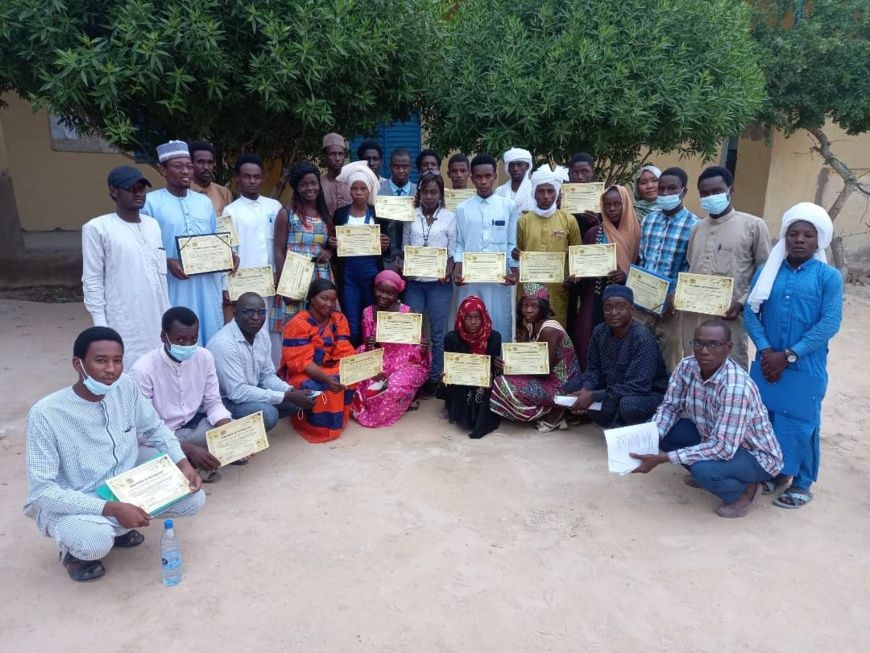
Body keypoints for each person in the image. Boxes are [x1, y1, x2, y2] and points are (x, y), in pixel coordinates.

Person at [24, 327, 205, 582]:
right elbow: (42, 492)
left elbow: (154, 428)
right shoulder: (46, 414)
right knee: (94, 541)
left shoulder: (125, 387)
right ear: (79, 364)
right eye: (101, 361)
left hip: (123, 486)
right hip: (78, 498)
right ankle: (74, 553)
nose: (111, 369)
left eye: (118, 360)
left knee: (193, 498)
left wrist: (183, 463)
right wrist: (111, 508)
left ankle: (117, 528)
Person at [631, 320, 783, 519]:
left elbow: (723, 448)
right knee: (664, 431)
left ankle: (746, 490)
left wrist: (664, 458)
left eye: (713, 345)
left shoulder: (736, 388)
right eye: (699, 343)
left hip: (754, 455)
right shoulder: (687, 366)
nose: (704, 351)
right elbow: (670, 407)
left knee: (704, 470)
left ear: (728, 348)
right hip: (713, 438)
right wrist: (649, 437)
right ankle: (717, 474)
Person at [744, 202, 843, 509]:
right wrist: (766, 350)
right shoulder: (766, 272)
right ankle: (774, 471)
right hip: (766, 360)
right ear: (785, 238)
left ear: (819, 241)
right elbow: (751, 311)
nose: (799, 240)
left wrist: (788, 355)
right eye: (793, 234)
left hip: (805, 366)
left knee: (802, 422)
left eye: (808, 235)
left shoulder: (829, 277)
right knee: (765, 418)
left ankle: (801, 480)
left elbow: (829, 322)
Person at [145, 140, 234, 346]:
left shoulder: (204, 203)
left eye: (188, 166)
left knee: (210, 330)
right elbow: (143, 248)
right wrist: (167, 261)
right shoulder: (150, 203)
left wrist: (227, 256)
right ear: (163, 170)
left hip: (207, 284)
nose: (186, 171)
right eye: (178, 166)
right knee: (177, 331)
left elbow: (215, 238)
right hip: (174, 283)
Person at [682, 166, 771, 368]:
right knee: (694, 364)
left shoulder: (754, 226)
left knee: (731, 368)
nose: (710, 197)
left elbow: (765, 273)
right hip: (694, 315)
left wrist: (741, 302)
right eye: (705, 193)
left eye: (717, 191)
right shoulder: (696, 228)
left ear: (731, 191)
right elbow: (690, 267)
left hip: (730, 316)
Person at [82, 165, 170, 368]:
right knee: (128, 371)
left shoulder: (152, 225)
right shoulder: (97, 228)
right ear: (114, 192)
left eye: (141, 188)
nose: (138, 193)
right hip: (124, 318)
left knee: (159, 368)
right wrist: (100, 325)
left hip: (157, 315)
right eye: (131, 189)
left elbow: (159, 275)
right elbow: (92, 279)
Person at [131, 307, 232, 482]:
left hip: (194, 427)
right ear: (164, 337)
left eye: (193, 339)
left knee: (238, 430)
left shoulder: (204, 357)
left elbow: (213, 402)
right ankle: (192, 461)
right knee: (146, 460)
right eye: (180, 339)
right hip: (159, 436)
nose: (187, 345)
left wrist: (231, 432)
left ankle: (193, 463)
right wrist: (187, 449)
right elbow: (144, 430)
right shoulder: (142, 370)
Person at [208, 293, 314, 431]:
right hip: (226, 401)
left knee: (297, 400)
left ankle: (254, 419)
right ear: (235, 313)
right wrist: (286, 396)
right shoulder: (223, 343)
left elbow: (266, 376)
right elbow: (237, 392)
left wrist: (291, 390)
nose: (256, 317)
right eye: (249, 312)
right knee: (269, 415)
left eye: (261, 312)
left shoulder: (262, 335)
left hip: (251, 390)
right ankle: (237, 433)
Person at [568, 286, 668, 427]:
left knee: (628, 406)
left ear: (631, 310)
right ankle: (612, 419)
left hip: (647, 393)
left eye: (621, 307)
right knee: (571, 387)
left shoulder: (643, 337)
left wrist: (593, 396)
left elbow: (638, 386)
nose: (614, 313)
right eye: (608, 308)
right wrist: (586, 391)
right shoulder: (599, 332)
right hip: (613, 388)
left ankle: (641, 428)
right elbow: (592, 370)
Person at [491, 285, 581, 432]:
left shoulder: (549, 330)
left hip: (562, 385)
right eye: (525, 305)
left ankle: (555, 410)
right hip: (549, 379)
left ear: (543, 307)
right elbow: (528, 360)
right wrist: (506, 363)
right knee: (502, 377)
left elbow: (542, 371)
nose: (528, 310)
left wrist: (511, 366)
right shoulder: (532, 326)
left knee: (505, 384)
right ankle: (552, 409)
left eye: (534, 306)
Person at [635, 166, 700, 371]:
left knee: (669, 357)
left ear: (683, 191)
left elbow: (692, 267)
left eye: (671, 189)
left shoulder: (695, 225)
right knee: (636, 352)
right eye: (661, 189)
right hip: (643, 302)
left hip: (672, 305)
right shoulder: (649, 220)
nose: (664, 194)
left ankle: (667, 399)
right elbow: (643, 258)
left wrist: (676, 295)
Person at [571, 185, 640, 370]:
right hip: (595, 296)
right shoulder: (594, 233)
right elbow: (584, 267)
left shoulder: (637, 233)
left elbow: (643, 268)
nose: (611, 209)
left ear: (625, 204)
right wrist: (578, 276)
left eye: (617, 204)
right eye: (607, 204)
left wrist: (625, 275)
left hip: (626, 299)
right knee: (588, 339)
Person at [271, 161, 335, 357]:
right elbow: (279, 250)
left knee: (318, 323)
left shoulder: (325, 214)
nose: (310, 188)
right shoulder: (287, 213)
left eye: (314, 183)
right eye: (304, 184)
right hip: (295, 275)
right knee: (293, 324)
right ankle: (290, 370)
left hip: (320, 275)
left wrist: (329, 251)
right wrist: (285, 285)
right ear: (296, 187)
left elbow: (330, 243)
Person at [280, 279, 357, 443]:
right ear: (312, 298)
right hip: (303, 371)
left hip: (329, 367)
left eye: (333, 300)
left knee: (350, 377)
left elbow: (344, 349)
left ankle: (338, 422)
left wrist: (357, 368)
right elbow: (302, 363)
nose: (329, 304)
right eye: (324, 298)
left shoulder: (338, 319)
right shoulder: (297, 324)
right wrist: (327, 380)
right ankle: (317, 428)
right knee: (323, 387)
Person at [453, 154, 519, 342]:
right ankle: (472, 366)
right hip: (470, 279)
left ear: (495, 177)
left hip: (498, 279)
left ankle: (498, 366)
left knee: (498, 319)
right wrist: (458, 269)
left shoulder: (508, 206)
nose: (483, 181)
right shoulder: (462, 208)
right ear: (472, 178)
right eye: (478, 177)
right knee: (470, 320)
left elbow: (511, 243)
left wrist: (514, 271)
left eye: (487, 176)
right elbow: (460, 243)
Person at [352, 271, 431, 427]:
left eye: (390, 293)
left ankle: (410, 395)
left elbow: (418, 345)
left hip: (406, 360)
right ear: (374, 289)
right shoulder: (367, 312)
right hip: (379, 356)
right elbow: (367, 343)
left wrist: (423, 346)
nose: (383, 296)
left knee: (390, 388)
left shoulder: (408, 312)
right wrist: (369, 342)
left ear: (396, 294)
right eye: (380, 290)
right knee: (359, 383)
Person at [402, 172, 456, 397]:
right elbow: (406, 248)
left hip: (438, 284)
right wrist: (405, 266)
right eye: (425, 191)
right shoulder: (411, 216)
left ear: (441, 193)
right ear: (419, 192)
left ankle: (434, 378)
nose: (429, 196)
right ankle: (412, 376)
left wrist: (448, 270)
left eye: (434, 192)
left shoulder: (450, 217)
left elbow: (452, 253)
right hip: (415, 283)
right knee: (412, 332)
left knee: (437, 333)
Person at [513, 165, 581, 326]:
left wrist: (574, 276)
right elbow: (518, 251)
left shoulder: (568, 220)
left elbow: (577, 256)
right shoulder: (524, 221)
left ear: (557, 193)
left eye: (550, 191)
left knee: (554, 331)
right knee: (529, 330)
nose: (545, 196)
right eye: (541, 191)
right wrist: (516, 254)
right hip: (529, 289)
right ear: (534, 194)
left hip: (557, 289)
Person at [333, 161, 391, 345]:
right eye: (354, 188)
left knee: (371, 321)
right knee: (352, 323)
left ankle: (373, 364)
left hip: (372, 275)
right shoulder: (340, 214)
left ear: (369, 190)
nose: (358, 193)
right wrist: (333, 244)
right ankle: (354, 361)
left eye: (363, 188)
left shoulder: (378, 214)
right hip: (349, 276)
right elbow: (333, 242)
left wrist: (385, 243)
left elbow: (386, 243)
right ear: (349, 190)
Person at [443, 296, 502, 439]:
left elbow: (494, 369)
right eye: (468, 318)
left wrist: (497, 365)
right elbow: (450, 366)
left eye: (477, 318)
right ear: (462, 318)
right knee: (461, 390)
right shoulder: (452, 338)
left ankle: (478, 424)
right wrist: (445, 374)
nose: (473, 322)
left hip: (484, 379)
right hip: (461, 380)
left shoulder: (493, 337)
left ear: (483, 317)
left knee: (483, 392)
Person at [224, 154, 282, 270]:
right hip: (245, 278)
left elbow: (282, 242)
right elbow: (230, 250)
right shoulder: (230, 211)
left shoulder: (274, 206)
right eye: (247, 176)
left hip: (273, 275)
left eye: (257, 177)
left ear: (262, 179)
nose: (252, 181)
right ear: (238, 178)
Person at [378, 148, 417, 272]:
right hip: (386, 257)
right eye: (396, 166)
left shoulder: (418, 192)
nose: (401, 171)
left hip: (412, 256)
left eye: (405, 167)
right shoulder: (379, 191)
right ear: (390, 167)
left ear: (411, 167)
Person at [189, 140, 233, 215]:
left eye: (210, 162)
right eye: (200, 162)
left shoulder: (224, 193)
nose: (206, 167)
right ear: (191, 163)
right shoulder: (182, 192)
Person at [319, 132, 352, 218]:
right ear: (324, 157)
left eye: (340, 154)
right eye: (332, 154)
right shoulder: (318, 185)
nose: (337, 159)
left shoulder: (353, 183)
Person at [495, 147, 534, 212]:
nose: (515, 169)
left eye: (519, 165)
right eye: (512, 165)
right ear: (508, 168)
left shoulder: (534, 189)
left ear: (527, 167)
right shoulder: (499, 191)